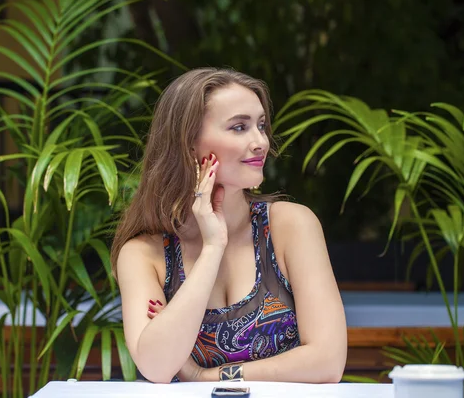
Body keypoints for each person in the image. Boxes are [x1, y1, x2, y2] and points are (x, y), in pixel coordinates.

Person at [110, 68, 347, 384]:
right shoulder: (143, 253)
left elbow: (328, 362)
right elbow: (157, 366)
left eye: (261, 125)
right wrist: (213, 246)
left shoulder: (291, 226)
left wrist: (206, 376)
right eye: (239, 127)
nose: (260, 141)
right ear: (189, 144)